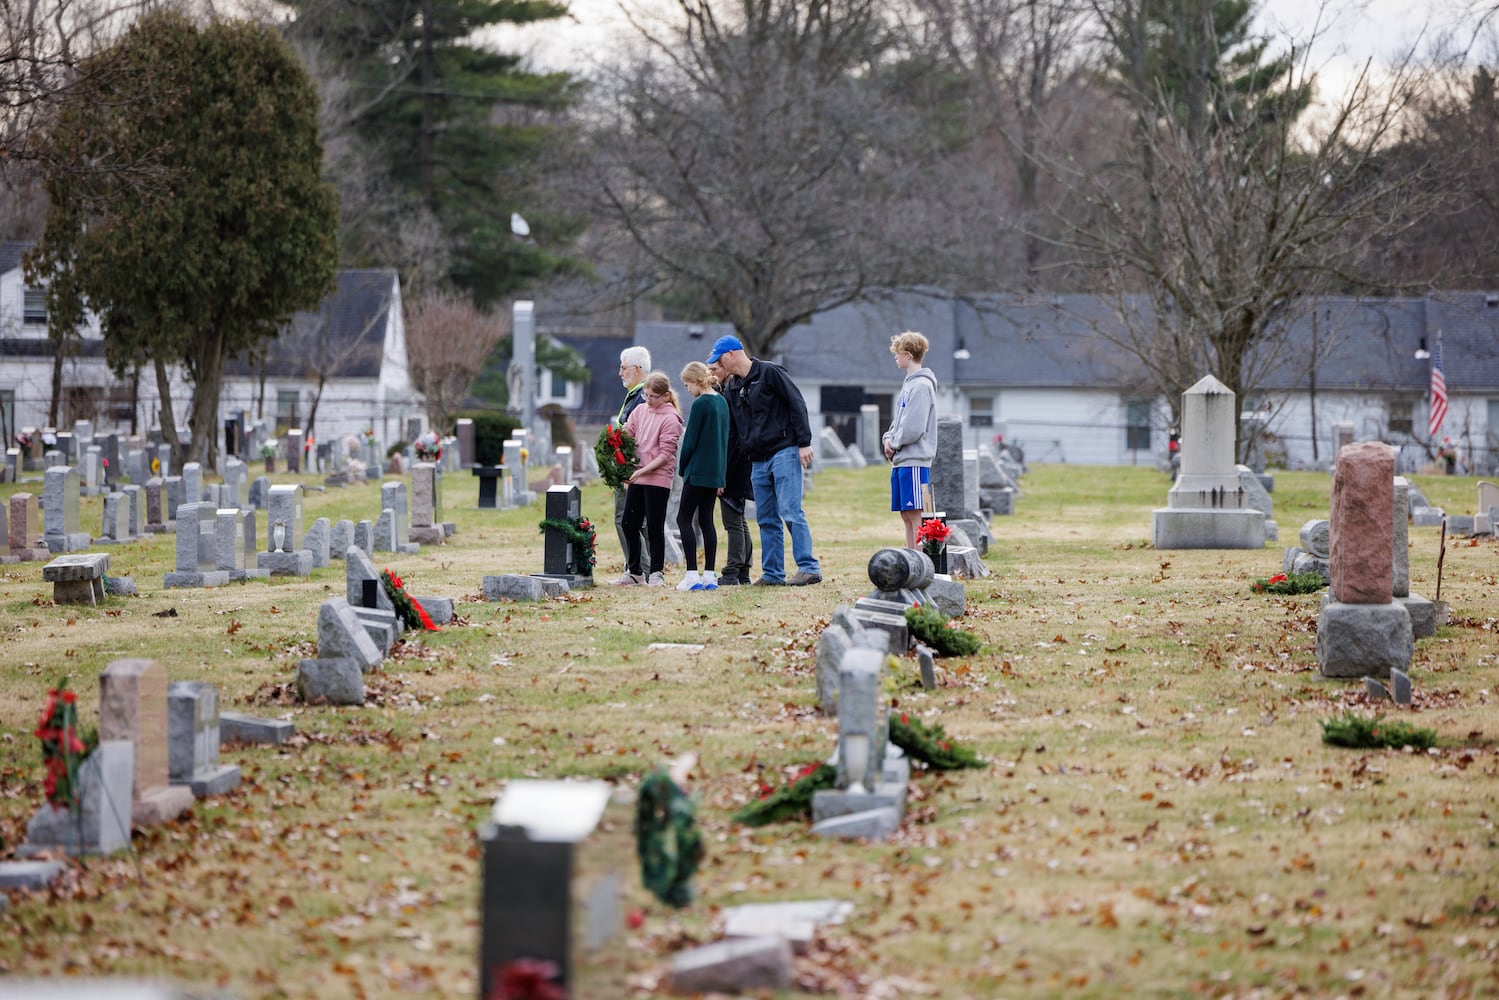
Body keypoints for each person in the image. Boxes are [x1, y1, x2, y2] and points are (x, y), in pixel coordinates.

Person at [706, 334, 821, 586]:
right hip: (757, 460)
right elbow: (733, 433)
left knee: (791, 511)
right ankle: (773, 574)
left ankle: (809, 567)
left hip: (784, 450)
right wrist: (722, 472)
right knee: (766, 518)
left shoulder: (770, 373)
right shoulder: (733, 388)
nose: (717, 366)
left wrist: (804, 442)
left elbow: (797, 403)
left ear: (732, 354)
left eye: (719, 359)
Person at [613, 371, 684, 586]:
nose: (648, 400)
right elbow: (628, 432)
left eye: (653, 396)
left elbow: (665, 454)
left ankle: (656, 572)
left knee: (654, 526)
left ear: (664, 396)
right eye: (645, 395)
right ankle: (635, 571)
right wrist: (616, 445)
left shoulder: (671, 418)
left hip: (657, 479)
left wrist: (641, 471)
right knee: (628, 523)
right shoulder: (641, 410)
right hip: (638, 476)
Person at [675, 361, 730, 591]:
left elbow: (690, 442)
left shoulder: (701, 404)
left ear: (696, 381)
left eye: (687, 384)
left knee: (684, 519)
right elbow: (725, 440)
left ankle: (691, 576)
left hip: (697, 472)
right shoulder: (722, 402)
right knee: (707, 520)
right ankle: (709, 575)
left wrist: (682, 467)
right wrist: (722, 476)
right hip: (715, 472)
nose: (686, 389)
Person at [881, 331, 938, 548]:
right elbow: (899, 420)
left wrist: (893, 444)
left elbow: (914, 428)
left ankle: (921, 565)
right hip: (902, 460)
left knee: (917, 516)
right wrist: (888, 438)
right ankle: (910, 560)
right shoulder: (909, 384)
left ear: (907, 354)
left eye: (897, 353)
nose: (895, 357)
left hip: (914, 460)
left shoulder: (921, 386)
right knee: (906, 515)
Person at [707, 355, 754, 585]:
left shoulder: (731, 395)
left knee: (732, 521)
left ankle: (733, 571)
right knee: (738, 518)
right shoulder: (729, 391)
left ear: (726, 368)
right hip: (738, 464)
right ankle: (743, 570)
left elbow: (731, 437)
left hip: (734, 466)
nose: (711, 373)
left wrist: (721, 475)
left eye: (715, 369)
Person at [613, 346, 651, 568]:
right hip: (634, 468)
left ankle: (637, 568)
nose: (620, 373)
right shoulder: (637, 395)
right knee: (638, 521)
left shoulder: (642, 398)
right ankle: (642, 567)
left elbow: (640, 438)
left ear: (637, 369)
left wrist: (629, 469)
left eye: (623, 367)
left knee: (624, 519)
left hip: (632, 469)